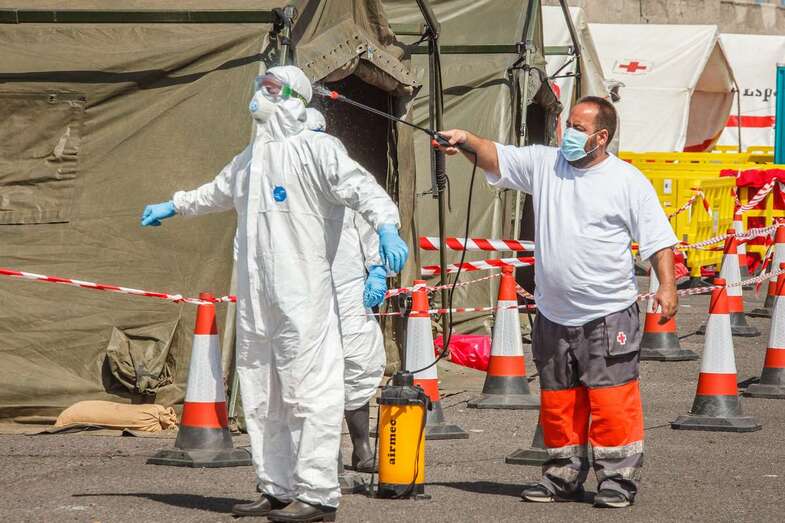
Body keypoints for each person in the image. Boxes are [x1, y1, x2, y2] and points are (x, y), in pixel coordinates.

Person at [141, 66, 407, 522]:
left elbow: (365, 190)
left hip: (304, 297)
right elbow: (216, 192)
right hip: (258, 299)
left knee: (311, 392)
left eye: (269, 88)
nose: (259, 95)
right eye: (258, 86)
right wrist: (175, 204)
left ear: (293, 98)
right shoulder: (251, 158)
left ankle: (319, 494)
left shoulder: (317, 150)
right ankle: (275, 486)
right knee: (263, 393)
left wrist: (386, 229)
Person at [437, 96, 678, 509]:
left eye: (579, 129)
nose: (568, 133)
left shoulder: (626, 180)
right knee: (558, 400)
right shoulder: (546, 165)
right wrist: (464, 140)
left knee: (612, 400)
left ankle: (617, 479)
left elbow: (658, 240)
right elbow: (497, 156)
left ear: (601, 137)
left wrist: (667, 287)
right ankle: (562, 475)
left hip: (608, 312)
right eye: (569, 124)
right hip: (553, 313)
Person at [305, 107, 387, 473]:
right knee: (311, 370)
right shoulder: (286, 177)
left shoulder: (343, 171)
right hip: (306, 291)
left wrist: (378, 269)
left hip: (349, 287)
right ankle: (325, 454)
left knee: (359, 362)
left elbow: (369, 219)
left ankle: (361, 449)